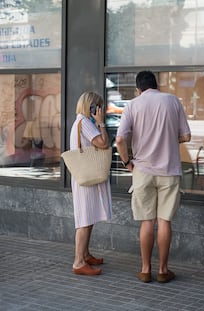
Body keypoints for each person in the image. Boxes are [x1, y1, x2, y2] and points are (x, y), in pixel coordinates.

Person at [116, 71, 191, 283]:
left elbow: (120, 139)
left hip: (142, 171)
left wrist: (126, 162)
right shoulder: (173, 101)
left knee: (147, 221)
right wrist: (167, 139)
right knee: (164, 221)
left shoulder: (133, 104)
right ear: (156, 85)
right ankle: (163, 270)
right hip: (169, 171)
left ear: (138, 89)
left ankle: (145, 269)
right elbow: (186, 136)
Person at [70, 91, 112, 275]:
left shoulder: (81, 122)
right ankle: (79, 262)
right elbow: (103, 143)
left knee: (88, 217)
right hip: (85, 179)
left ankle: (85, 255)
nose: (100, 110)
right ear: (92, 107)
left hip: (84, 176)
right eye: (98, 106)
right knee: (85, 220)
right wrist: (101, 122)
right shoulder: (85, 123)